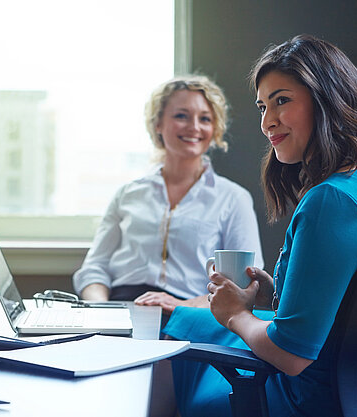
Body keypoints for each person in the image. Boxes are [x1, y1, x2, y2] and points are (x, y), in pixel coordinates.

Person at [163, 34, 357, 416]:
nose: (267, 122)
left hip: (308, 396)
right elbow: (354, 302)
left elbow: (291, 355)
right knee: (184, 317)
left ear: (328, 99)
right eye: (262, 106)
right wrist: (270, 294)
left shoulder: (331, 200)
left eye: (282, 100)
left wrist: (235, 314)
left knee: (176, 336)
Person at [72, 75, 264, 314]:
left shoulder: (234, 198)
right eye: (181, 116)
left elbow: (244, 284)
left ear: (214, 128)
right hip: (121, 309)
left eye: (205, 118)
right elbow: (94, 268)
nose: (194, 127)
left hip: (190, 313)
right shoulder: (127, 194)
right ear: (158, 125)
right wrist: (102, 312)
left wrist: (182, 307)